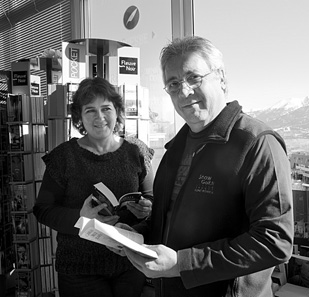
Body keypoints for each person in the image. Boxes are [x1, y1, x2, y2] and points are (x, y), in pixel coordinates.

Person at [123, 36, 294, 297]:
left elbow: (275, 241)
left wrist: (182, 264)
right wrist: (134, 239)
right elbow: (167, 223)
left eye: (193, 78)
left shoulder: (256, 143)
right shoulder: (175, 149)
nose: (184, 91)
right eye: (173, 83)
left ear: (222, 78)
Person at [33, 76, 154, 297]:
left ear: (117, 111)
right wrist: (81, 219)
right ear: (79, 116)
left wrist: (146, 210)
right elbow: (42, 210)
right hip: (80, 271)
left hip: (129, 264)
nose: (100, 117)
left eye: (106, 108)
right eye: (90, 110)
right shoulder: (63, 157)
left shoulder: (136, 151)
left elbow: (152, 200)